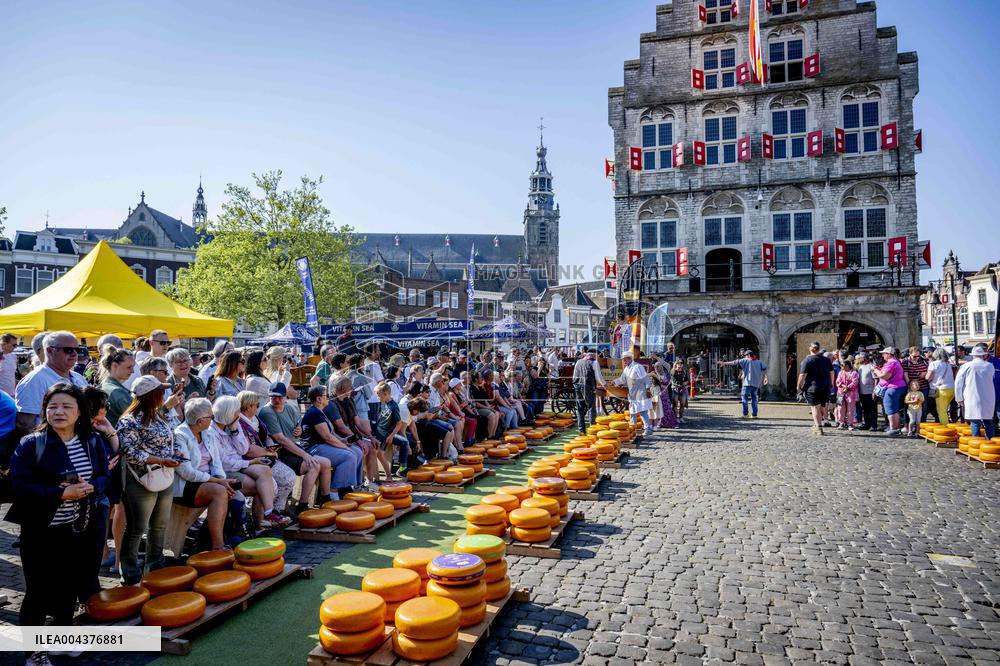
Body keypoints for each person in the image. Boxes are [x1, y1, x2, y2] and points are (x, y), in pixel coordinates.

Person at [6, 383, 110, 656]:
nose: (59, 412)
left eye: (66, 406)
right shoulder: (32, 443)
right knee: (38, 593)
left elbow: (104, 475)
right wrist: (59, 494)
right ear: (45, 411)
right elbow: (17, 486)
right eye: (52, 407)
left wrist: (92, 487)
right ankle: (33, 654)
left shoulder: (92, 441)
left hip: (80, 529)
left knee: (69, 587)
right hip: (42, 531)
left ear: (80, 412)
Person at [117, 375, 182, 584]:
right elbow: (129, 451)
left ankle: (155, 567)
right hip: (140, 479)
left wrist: (177, 454)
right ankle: (130, 574)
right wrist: (161, 460)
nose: (164, 394)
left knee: (160, 525)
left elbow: (173, 438)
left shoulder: (158, 415)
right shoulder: (128, 421)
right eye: (160, 391)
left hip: (164, 475)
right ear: (151, 395)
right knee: (137, 528)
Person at [210, 396, 290, 530]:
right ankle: (259, 526)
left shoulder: (234, 424)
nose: (239, 415)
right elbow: (224, 463)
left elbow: (243, 449)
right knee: (260, 487)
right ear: (228, 413)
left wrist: (235, 430)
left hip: (238, 463)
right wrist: (249, 462)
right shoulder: (212, 432)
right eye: (236, 412)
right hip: (225, 471)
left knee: (265, 470)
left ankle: (269, 513)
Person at [259, 382, 332, 515]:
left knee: (326, 463)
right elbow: (281, 440)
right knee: (313, 465)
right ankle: (302, 506)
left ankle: (325, 500)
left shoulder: (289, 408)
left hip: (292, 447)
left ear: (285, 396)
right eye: (273, 396)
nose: (276, 400)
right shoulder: (266, 411)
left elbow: (298, 430)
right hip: (278, 451)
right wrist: (305, 455)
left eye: (279, 397)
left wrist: (299, 431)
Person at [173, 398, 237, 550]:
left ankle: (209, 537)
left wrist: (221, 479)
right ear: (200, 421)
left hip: (208, 481)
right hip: (185, 485)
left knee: (234, 491)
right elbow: (186, 472)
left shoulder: (207, 432)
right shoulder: (180, 435)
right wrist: (217, 481)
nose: (213, 419)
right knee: (220, 492)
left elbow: (216, 462)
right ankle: (218, 546)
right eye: (210, 416)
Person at [14, 331, 89, 437]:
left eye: (77, 349)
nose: (74, 354)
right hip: (51, 444)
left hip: (78, 442)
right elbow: (25, 424)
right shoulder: (34, 380)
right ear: (49, 351)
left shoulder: (78, 377)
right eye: (68, 350)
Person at [238, 390, 296, 516]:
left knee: (289, 477)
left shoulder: (255, 419)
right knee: (273, 485)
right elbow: (247, 449)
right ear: (248, 406)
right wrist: (268, 452)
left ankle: (277, 510)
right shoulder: (239, 423)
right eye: (257, 405)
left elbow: (266, 436)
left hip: (265, 457)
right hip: (247, 461)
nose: (258, 407)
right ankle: (263, 515)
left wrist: (271, 446)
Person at [301, 386, 368, 492]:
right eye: (326, 396)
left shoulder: (320, 411)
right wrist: (345, 447)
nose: (329, 398)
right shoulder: (314, 412)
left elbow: (331, 434)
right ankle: (336, 491)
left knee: (358, 452)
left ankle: (354, 485)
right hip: (314, 448)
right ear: (319, 399)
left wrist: (342, 441)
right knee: (349, 456)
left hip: (323, 445)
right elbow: (327, 437)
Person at [954, 346, 997, 439]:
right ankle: (990, 441)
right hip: (988, 396)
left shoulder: (967, 366)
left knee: (975, 421)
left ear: (973, 355)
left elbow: (958, 383)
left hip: (972, 395)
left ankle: (976, 442)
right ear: (983, 355)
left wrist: (959, 397)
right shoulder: (989, 366)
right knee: (988, 421)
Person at [797, 341, 835, 436]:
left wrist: (798, 386)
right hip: (825, 387)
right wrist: (831, 383)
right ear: (819, 349)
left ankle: (818, 427)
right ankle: (817, 424)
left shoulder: (807, 360)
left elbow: (802, 375)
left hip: (812, 387)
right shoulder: (826, 360)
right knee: (822, 406)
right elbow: (832, 372)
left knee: (815, 408)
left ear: (810, 349)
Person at [719, 349, 767, 419]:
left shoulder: (745, 360)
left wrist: (724, 363)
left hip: (747, 384)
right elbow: (765, 369)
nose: (744, 357)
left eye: (745, 355)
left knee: (745, 399)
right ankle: (754, 415)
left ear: (748, 355)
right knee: (754, 400)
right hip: (756, 384)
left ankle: (745, 414)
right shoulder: (759, 362)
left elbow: (734, 362)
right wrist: (766, 378)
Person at [614, 352, 653, 436]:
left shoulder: (638, 367)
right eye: (623, 359)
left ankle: (648, 428)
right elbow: (622, 379)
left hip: (640, 392)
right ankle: (633, 429)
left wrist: (648, 390)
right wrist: (614, 382)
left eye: (625, 359)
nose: (624, 361)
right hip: (632, 393)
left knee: (642, 411)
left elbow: (645, 378)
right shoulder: (626, 369)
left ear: (630, 358)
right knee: (632, 411)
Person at [872, 347, 906, 436]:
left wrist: (875, 370)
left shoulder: (891, 363)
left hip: (893, 388)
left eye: (884, 353)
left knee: (891, 409)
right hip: (897, 387)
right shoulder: (895, 362)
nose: (883, 355)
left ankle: (894, 428)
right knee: (894, 409)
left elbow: (885, 376)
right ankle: (896, 428)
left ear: (888, 354)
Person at [99, 347, 136, 426]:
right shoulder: (117, 392)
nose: (132, 371)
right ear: (115, 366)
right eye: (129, 367)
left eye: (133, 367)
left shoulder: (105, 385)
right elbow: (139, 418)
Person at [925, 348, 955, 425]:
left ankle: (946, 428)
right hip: (951, 389)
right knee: (945, 409)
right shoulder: (948, 364)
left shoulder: (933, 364)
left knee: (942, 411)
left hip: (941, 390)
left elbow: (928, 377)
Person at [572, 349, 598, 433]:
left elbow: (574, 375)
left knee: (580, 408)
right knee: (591, 407)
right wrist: (604, 385)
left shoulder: (578, 362)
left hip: (577, 385)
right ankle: (592, 429)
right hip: (588, 386)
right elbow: (598, 377)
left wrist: (575, 384)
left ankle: (581, 430)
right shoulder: (594, 362)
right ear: (593, 355)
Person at [902, 345, 930, 422]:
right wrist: (910, 386)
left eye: (918, 356)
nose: (917, 358)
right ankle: (910, 423)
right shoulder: (906, 362)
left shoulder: (924, 360)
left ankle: (922, 423)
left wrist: (924, 373)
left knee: (923, 405)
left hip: (923, 386)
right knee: (910, 405)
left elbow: (929, 370)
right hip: (912, 387)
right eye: (914, 356)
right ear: (910, 354)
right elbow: (905, 375)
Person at [835, 359, 860, 430]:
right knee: (840, 408)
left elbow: (855, 382)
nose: (841, 367)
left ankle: (850, 424)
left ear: (847, 366)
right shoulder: (840, 373)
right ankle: (841, 423)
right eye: (841, 365)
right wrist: (844, 387)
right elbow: (838, 381)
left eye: (842, 365)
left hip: (851, 394)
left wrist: (848, 388)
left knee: (850, 409)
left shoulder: (854, 373)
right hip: (841, 393)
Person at [855, 353, 878, 431]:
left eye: (860, 358)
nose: (859, 359)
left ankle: (874, 425)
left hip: (870, 392)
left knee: (872, 409)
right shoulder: (861, 367)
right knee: (865, 409)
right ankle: (867, 424)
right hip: (862, 392)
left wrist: (874, 391)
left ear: (865, 358)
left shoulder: (871, 366)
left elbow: (876, 379)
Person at [0, 332, 18, 397]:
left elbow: (11, 375)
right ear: (4, 344)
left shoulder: (13, 356)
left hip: (12, 394)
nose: (15, 347)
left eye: (16, 345)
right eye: (14, 345)